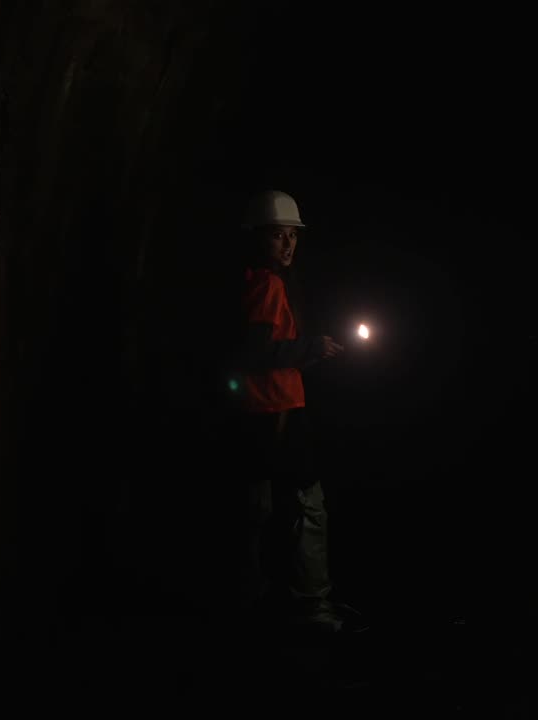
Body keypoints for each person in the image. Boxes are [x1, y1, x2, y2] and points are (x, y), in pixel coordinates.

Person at [225, 189, 367, 634]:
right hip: (276, 414)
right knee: (306, 507)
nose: (287, 245)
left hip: (262, 412)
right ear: (257, 237)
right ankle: (311, 606)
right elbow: (255, 352)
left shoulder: (255, 280)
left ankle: (252, 603)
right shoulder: (267, 285)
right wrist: (310, 347)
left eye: (293, 235)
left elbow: (264, 350)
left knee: (257, 511)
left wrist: (311, 351)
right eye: (277, 235)